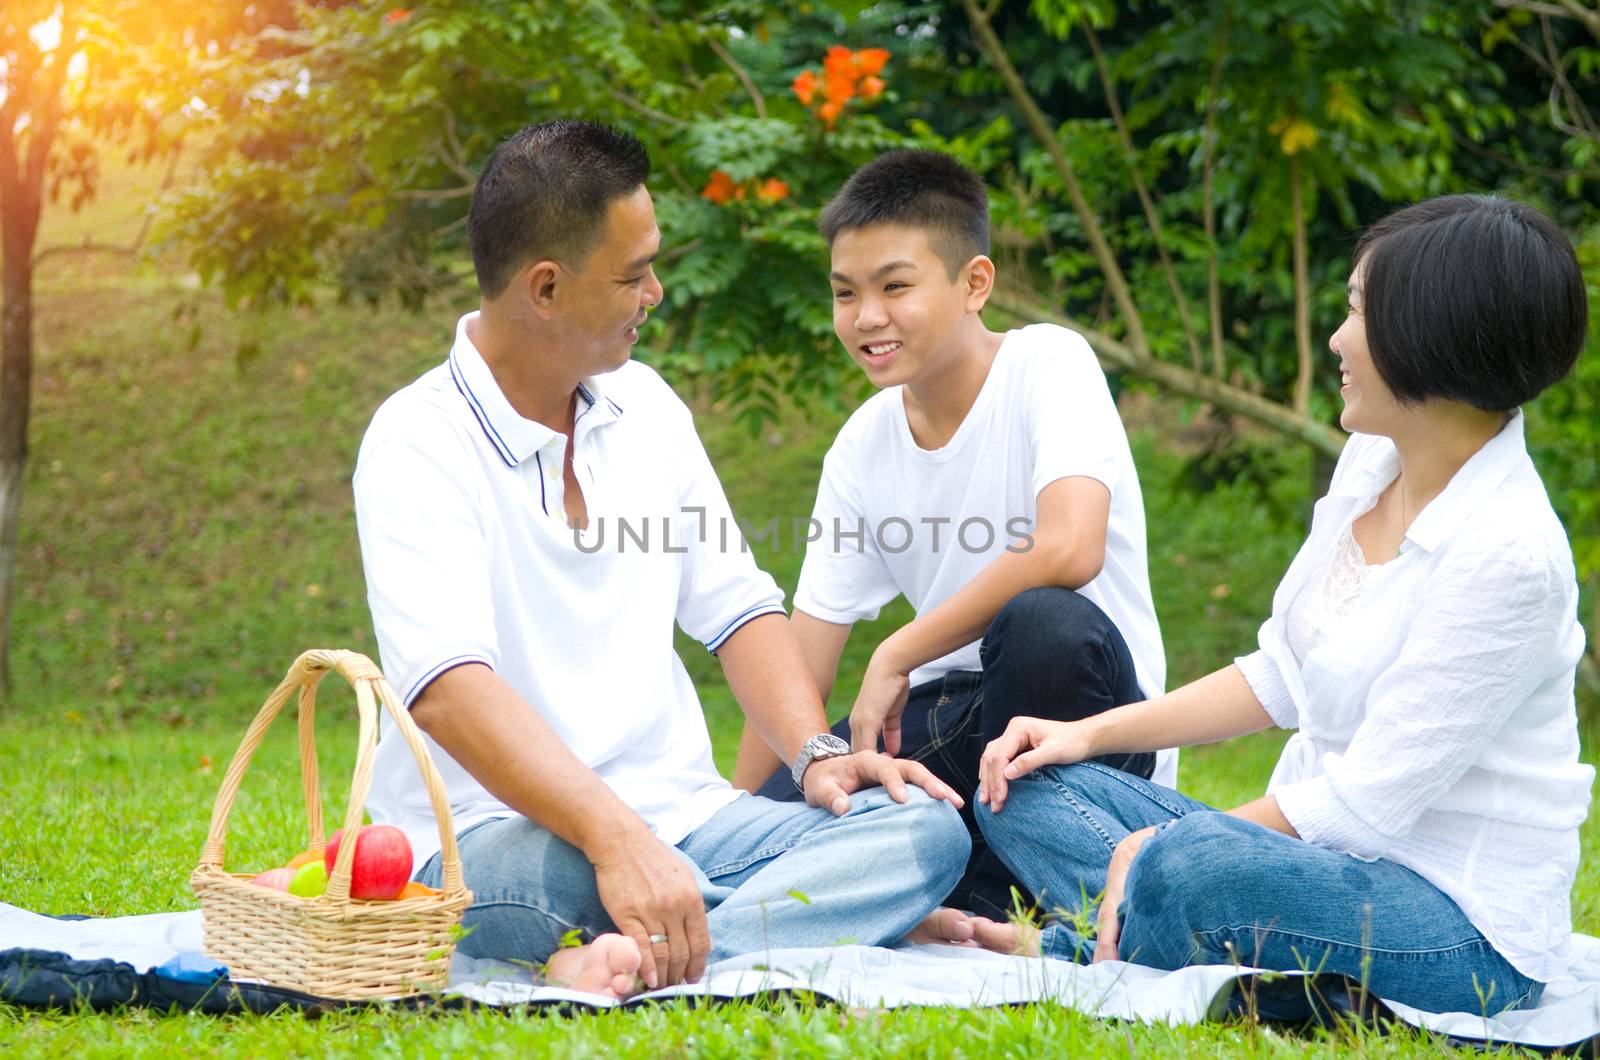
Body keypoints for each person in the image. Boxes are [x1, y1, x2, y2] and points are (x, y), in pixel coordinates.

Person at [352, 120, 970, 1000]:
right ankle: (797, 922)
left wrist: (818, 755)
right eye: (633, 273)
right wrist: (615, 841)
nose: (658, 290)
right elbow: (451, 690)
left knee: (923, 833)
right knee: (532, 885)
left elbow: (737, 607)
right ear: (546, 289)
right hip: (498, 835)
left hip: (687, 819)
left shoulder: (647, 406)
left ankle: (657, 949)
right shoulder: (416, 441)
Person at [970, 194, 1592, 1015]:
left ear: (1431, 331)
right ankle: (1148, 920)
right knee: (1022, 784)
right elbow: (1283, 672)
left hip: (1454, 923)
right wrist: (1086, 733)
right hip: (1309, 864)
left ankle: (1092, 940)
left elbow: (1364, 808)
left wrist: (1168, 847)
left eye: (1358, 312)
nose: (1336, 339)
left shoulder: (1509, 555)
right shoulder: (1373, 459)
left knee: (1190, 869)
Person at [734, 150, 1175, 922]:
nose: (866, 316)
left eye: (894, 286)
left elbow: (1070, 549)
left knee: (1042, 622)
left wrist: (898, 649)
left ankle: (994, 883)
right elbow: (800, 659)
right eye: (846, 293)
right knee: (795, 802)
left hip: (1082, 722)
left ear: (975, 283)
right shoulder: (861, 446)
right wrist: (737, 817)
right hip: (952, 727)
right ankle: (965, 886)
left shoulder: (1049, 362)